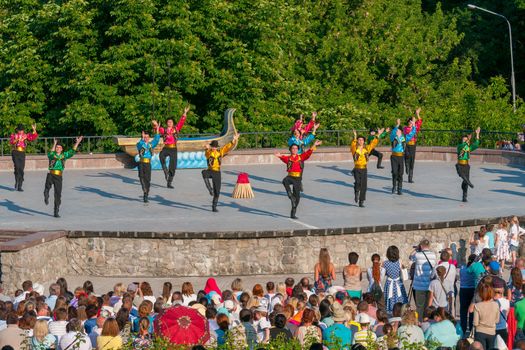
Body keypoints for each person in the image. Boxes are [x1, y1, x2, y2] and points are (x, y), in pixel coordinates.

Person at [275, 140, 322, 219]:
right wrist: (279, 156)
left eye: (296, 148)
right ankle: (290, 195)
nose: (294, 150)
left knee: (297, 198)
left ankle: (293, 213)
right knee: (285, 180)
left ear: (297, 149)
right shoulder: (288, 158)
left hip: (297, 179)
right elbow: (283, 158)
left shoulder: (301, 157)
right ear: (290, 150)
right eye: (293, 148)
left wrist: (314, 145)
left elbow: (308, 152)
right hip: (290, 177)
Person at [44, 136, 83, 217]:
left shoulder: (64, 155)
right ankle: (46, 193)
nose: (58, 148)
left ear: (62, 149)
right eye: (57, 147)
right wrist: (54, 143)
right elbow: (50, 153)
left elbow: (72, 151)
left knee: (58, 194)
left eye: (59, 147)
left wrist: (77, 142)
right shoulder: (52, 155)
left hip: (59, 176)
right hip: (51, 174)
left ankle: (56, 211)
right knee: (47, 187)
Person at [202, 134, 239, 212]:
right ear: (211, 147)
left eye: (216, 147)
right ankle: (209, 189)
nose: (214, 148)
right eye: (213, 147)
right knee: (204, 173)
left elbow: (227, 147)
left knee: (217, 192)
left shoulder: (220, 151)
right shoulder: (209, 152)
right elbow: (207, 153)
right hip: (210, 171)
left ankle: (214, 206)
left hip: (217, 172)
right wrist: (207, 148)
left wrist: (233, 140)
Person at [350, 128, 384, 207]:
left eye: (362, 140)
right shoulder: (354, 148)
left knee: (364, 185)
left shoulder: (367, 148)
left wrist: (378, 134)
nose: (360, 141)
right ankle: (356, 192)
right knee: (358, 183)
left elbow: (373, 143)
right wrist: (355, 136)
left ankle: (361, 201)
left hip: (364, 169)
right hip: (357, 168)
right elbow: (352, 144)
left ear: (364, 141)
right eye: (359, 140)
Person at [157, 106, 189, 188]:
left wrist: (185, 113)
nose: (169, 123)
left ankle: (169, 182)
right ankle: (165, 169)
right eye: (168, 122)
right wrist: (155, 125)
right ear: (167, 123)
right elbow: (157, 129)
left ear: (173, 123)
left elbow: (181, 121)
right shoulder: (163, 130)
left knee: (173, 166)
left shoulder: (176, 128)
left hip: (173, 148)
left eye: (171, 122)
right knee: (161, 155)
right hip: (166, 147)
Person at [409, 239, 437, 321]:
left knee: (419, 306)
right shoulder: (433, 255)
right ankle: (427, 321)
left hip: (419, 286)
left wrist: (416, 249)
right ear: (429, 246)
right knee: (428, 306)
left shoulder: (418, 255)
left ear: (421, 246)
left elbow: (410, 257)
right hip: (429, 285)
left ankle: (419, 322)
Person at [390, 117, 417, 195]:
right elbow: (393, 132)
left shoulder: (404, 138)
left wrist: (414, 124)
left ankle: (399, 189)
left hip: (401, 157)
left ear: (401, 132)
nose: (397, 132)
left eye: (399, 130)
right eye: (397, 130)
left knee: (400, 173)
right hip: (394, 157)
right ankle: (394, 186)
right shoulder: (393, 137)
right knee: (394, 173)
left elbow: (412, 133)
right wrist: (397, 125)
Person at [9, 123, 38, 191]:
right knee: (17, 167)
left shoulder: (25, 135)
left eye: (22, 130)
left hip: (22, 153)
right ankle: (17, 181)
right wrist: (17, 139)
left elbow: (33, 137)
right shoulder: (14, 135)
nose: (21, 131)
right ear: (17, 130)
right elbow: (11, 142)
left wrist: (34, 129)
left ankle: (19, 186)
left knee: (21, 169)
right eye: (19, 130)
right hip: (15, 152)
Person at [136, 125, 161, 203]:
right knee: (141, 177)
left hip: (148, 164)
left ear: (149, 138)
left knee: (148, 179)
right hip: (141, 163)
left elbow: (156, 139)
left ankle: (146, 193)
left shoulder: (151, 144)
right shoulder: (140, 144)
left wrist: (157, 129)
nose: (146, 138)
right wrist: (142, 138)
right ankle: (144, 191)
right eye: (145, 137)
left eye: (147, 137)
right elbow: (139, 144)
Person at [455, 127, 480, 202]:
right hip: (459, 165)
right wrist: (468, 139)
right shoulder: (459, 146)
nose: (465, 141)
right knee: (462, 176)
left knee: (465, 182)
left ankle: (464, 197)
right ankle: (469, 182)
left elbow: (476, 144)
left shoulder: (468, 147)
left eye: (466, 140)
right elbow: (463, 146)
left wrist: (477, 134)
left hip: (466, 165)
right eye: (464, 139)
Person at [472, 283, 499, 350]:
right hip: (491, 332)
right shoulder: (496, 305)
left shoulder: (477, 305)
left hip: (480, 331)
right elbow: (497, 320)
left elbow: (475, 323)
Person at [384, 246, 408, 313]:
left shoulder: (385, 263)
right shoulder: (399, 262)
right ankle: (401, 310)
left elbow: (384, 273)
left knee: (390, 297)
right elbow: (403, 274)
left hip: (389, 283)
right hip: (398, 283)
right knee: (399, 297)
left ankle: (390, 311)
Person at [403, 108, 423, 183]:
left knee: (412, 160)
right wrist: (414, 126)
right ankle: (406, 166)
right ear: (409, 122)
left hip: (413, 145)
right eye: (412, 121)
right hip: (407, 145)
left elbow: (420, 121)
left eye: (414, 121)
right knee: (407, 156)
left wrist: (417, 114)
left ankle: (410, 178)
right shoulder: (405, 128)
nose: (414, 122)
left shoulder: (415, 127)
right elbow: (409, 134)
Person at [459, 254, 477, 336]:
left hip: (463, 289)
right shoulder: (475, 270)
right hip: (472, 289)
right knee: (472, 310)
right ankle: (470, 329)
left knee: (463, 310)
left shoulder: (462, 269)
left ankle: (462, 328)